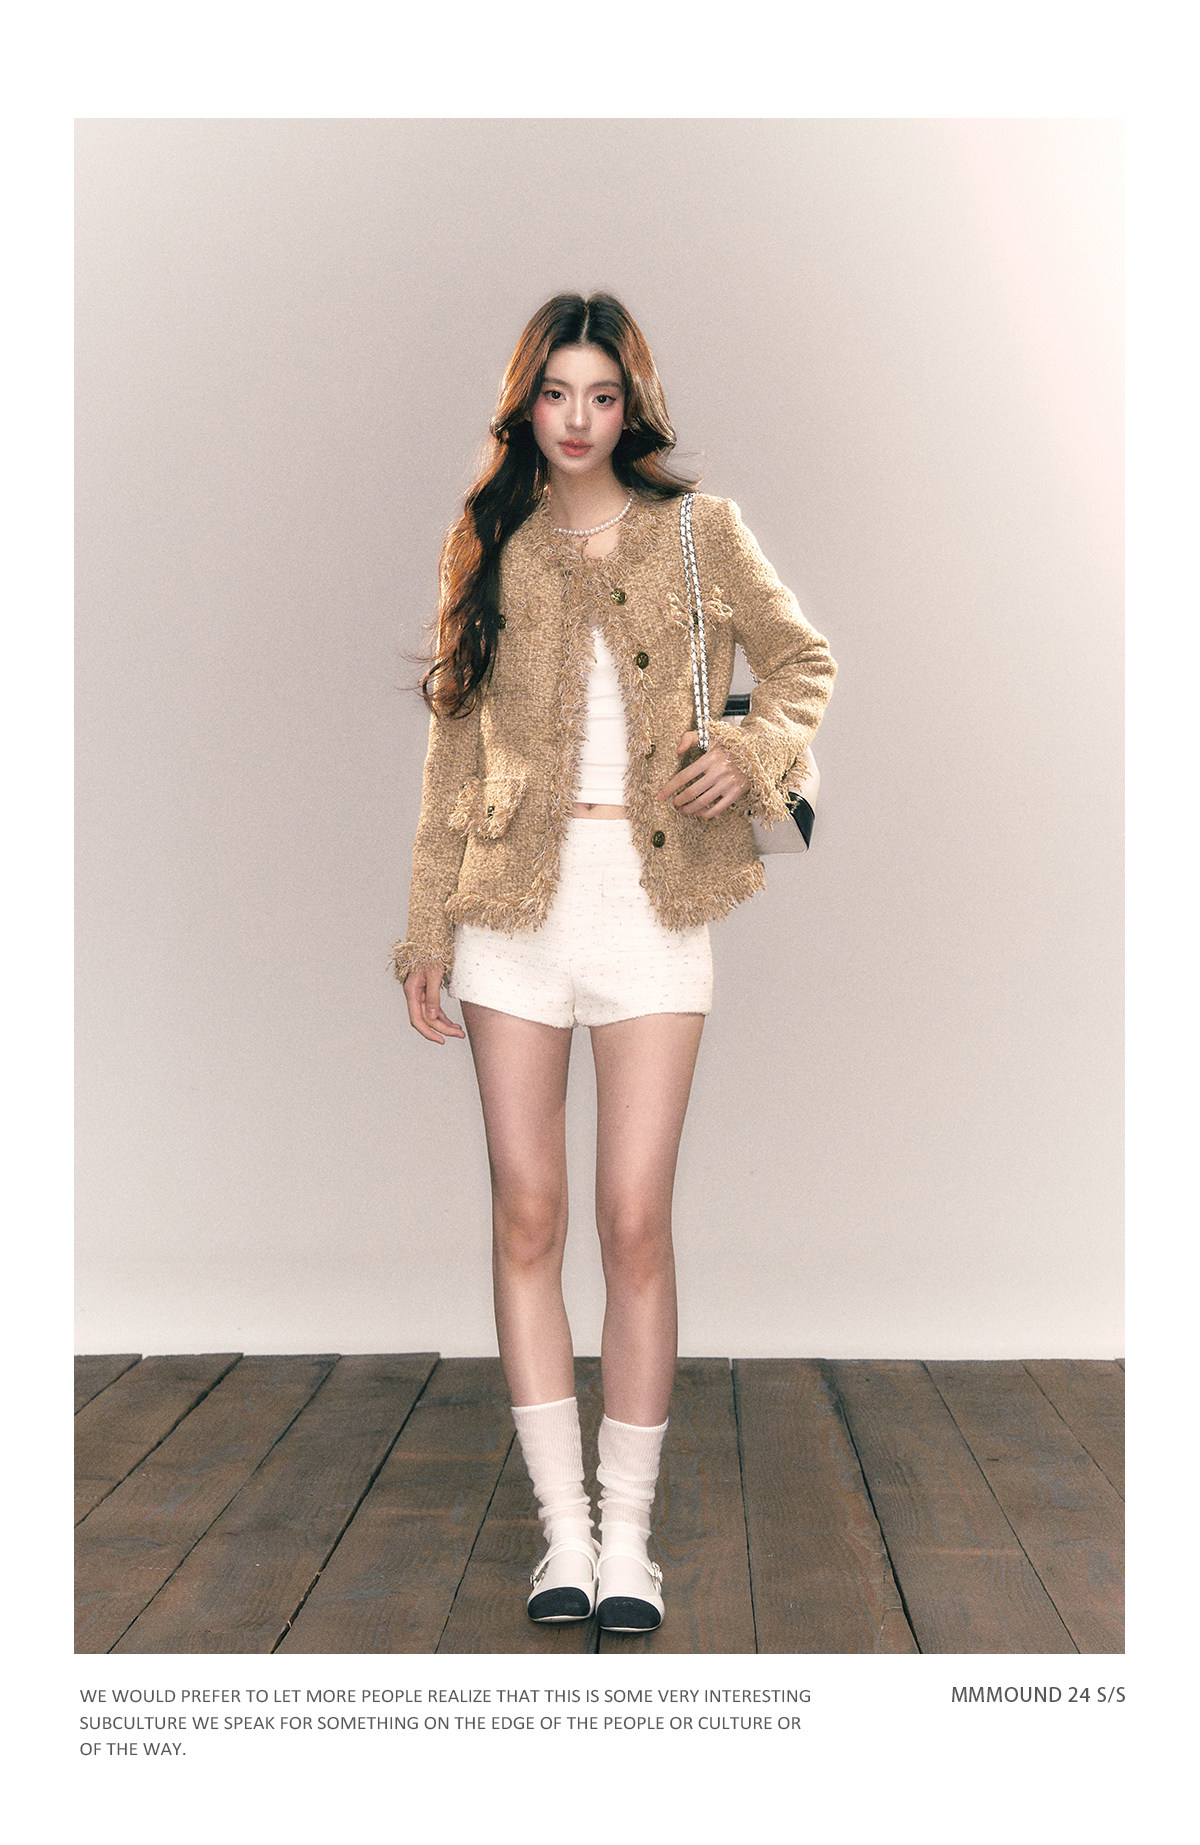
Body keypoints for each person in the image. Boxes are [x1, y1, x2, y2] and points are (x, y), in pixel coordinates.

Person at [391, 293, 836, 1633]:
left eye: (600, 394)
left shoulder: (702, 530)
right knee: (527, 1216)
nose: (577, 419)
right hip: (509, 915)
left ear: (630, 404)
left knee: (634, 1219)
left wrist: (747, 753)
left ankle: (631, 1541)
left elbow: (802, 665)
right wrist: (426, 927)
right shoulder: (489, 539)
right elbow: (450, 751)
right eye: (555, 393)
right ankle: (565, 1538)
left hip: (652, 906)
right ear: (525, 404)